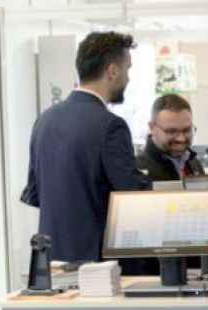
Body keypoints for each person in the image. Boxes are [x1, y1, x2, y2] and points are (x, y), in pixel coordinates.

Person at [22, 31, 151, 263]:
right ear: (112, 71)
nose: (128, 78)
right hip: (97, 265)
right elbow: (132, 194)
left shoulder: (44, 120)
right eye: (127, 69)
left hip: (51, 260)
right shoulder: (111, 125)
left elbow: (34, 194)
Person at [136, 94, 205, 181]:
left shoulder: (194, 164)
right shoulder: (136, 170)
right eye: (171, 131)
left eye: (186, 130)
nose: (181, 139)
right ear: (152, 127)